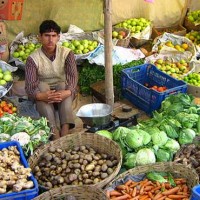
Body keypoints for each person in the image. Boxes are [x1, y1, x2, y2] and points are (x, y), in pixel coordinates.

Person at [25, 20, 78, 140]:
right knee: (42, 86)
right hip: (44, 93)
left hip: (62, 92)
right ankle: (54, 131)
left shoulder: (67, 53)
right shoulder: (32, 58)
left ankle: (65, 129)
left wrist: (68, 92)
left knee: (63, 85)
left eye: (54, 36)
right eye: (47, 36)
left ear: (58, 37)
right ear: (40, 37)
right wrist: (40, 96)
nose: (50, 39)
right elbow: (30, 86)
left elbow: (72, 77)